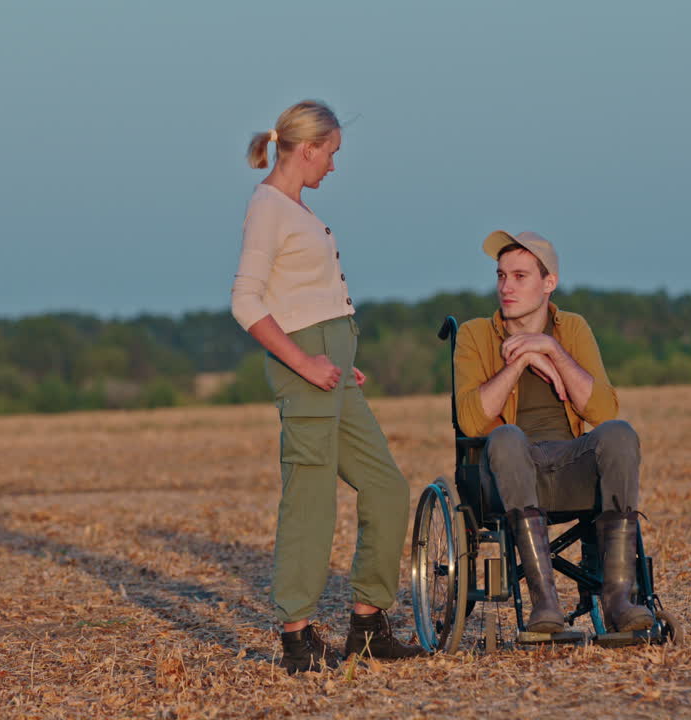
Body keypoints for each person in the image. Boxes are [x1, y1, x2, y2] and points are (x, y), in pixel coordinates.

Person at [230, 100, 424, 674]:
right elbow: (245, 300)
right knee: (310, 502)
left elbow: (309, 299)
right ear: (308, 148)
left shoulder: (296, 209)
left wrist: (340, 360)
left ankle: (367, 626)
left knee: (387, 487)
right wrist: (306, 364)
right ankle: (297, 635)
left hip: (333, 374)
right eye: (332, 153)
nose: (333, 167)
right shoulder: (267, 207)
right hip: (305, 374)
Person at [452, 230, 654, 634]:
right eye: (501, 276)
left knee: (619, 432)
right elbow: (472, 422)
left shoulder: (573, 328)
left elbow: (602, 409)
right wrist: (518, 360)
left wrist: (550, 349)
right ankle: (545, 604)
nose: (506, 287)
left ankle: (618, 600)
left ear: (549, 284)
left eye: (520, 276)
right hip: (506, 473)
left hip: (569, 467)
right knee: (506, 437)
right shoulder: (475, 335)